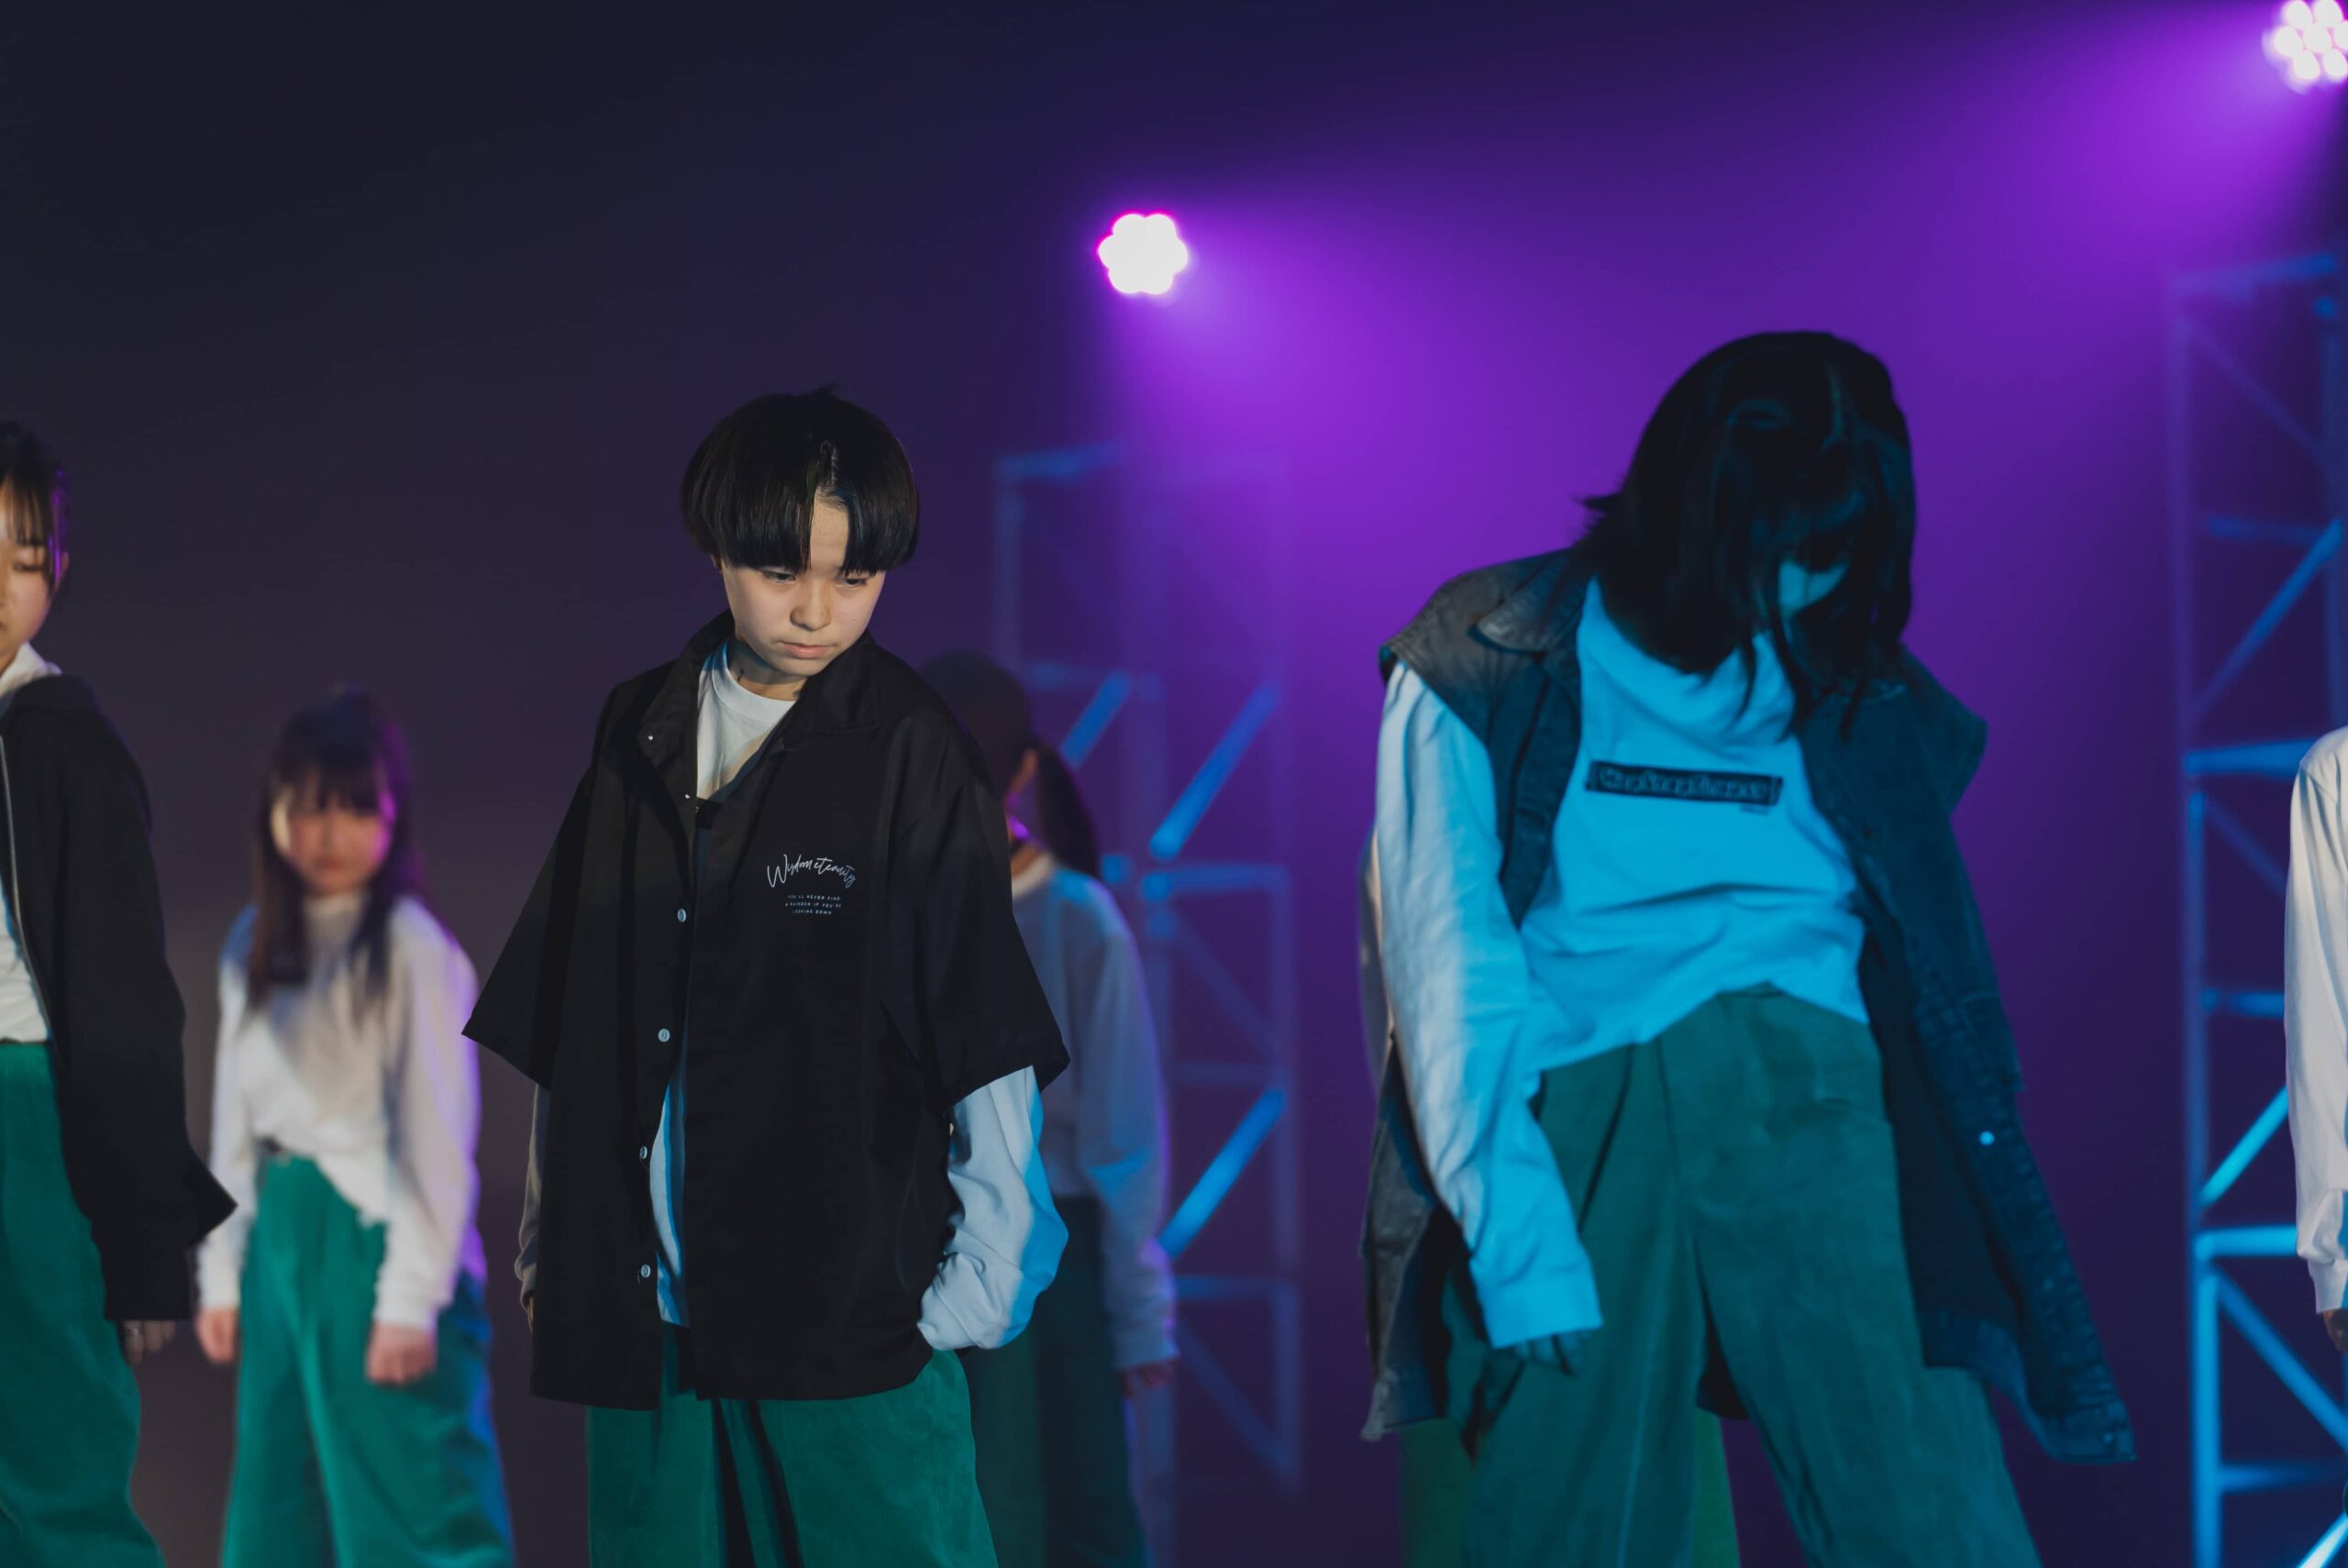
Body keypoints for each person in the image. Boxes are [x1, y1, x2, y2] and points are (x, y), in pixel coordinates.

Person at [1362, 333, 2132, 1566]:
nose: (1799, 580)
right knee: (1577, 1529)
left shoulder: (1860, 684)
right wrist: (1518, 1234)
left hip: (1819, 1095)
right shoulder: (1484, 647)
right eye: (1777, 543)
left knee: (1939, 1519)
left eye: (1834, 554)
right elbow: (1447, 962)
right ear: (1692, 501)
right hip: (1584, 1106)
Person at [476, 389, 1069, 1567]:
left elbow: (980, 1027)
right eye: (781, 569)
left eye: (854, 577)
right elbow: (581, 1011)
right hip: (650, 1325)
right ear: (717, 549)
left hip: (843, 1320)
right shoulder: (637, 728)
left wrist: (985, 1274)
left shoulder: (911, 749)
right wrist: (555, 1247)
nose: (813, 610)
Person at [195, 692, 513, 1566]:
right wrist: (222, 1273)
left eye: (354, 808)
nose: (329, 833)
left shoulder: (413, 949)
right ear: (274, 813)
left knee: (415, 1508)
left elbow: (438, 1140)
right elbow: (233, 1124)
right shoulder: (252, 941)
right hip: (281, 1235)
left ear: (391, 815)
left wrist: (409, 1299)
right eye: (309, 807)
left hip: (376, 1237)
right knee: (276, 1511)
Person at [0, 422, 234, 1568]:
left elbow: (130, 1017)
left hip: (25, 1119)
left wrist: (144, 1247)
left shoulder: (64, 745)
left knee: (55, 1469)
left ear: (59, 569)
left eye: (21, 560)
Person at [922, 649, 1176, 1568]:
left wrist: (1136, 1308)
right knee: (969, 1514)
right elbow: (1123, 1133)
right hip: (932, 1246)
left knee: (1066, 1511)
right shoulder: (896, 907)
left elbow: (1121, 1137)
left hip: (1051, 1253)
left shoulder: (1072, 914)